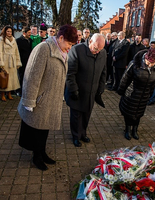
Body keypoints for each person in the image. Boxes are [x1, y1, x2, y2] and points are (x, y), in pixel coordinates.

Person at [18, 25, 78, 171]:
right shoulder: (43, 49)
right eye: (69, 44)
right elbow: (32, 76)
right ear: (61, 38)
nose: (70, 48)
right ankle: (36, 156)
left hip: (51, 99)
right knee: (36, 130)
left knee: (44, 129)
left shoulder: (61, 50)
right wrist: (29, 100)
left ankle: (42, 152)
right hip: (40, 99)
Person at [65, 33, 107, 147]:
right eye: (96, 49)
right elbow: (70, 74)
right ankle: (76, 136)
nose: (97, 52)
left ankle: (83, 133)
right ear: (90, 42)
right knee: (76, 116)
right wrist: (73, 90)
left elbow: (103, 72)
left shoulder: (102, 52)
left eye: (100, 49)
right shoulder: (76, 50)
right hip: (78, 91)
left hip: (91, 91)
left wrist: (101, 88)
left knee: (86, 114)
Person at [117, 48, 155, 140]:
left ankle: (135, 130)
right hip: (132, 93)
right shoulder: (135, 64)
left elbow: (153, 83)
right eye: (148, 62)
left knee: (139, 113)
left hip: (144, 95)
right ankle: (128, 129)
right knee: (129, 113)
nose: (150, 65)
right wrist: (121, 91)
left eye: (152, 63)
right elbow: (125, 79)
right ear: (145, 58)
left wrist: (150, 94)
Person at [0, 25, 22, 101]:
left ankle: (9, 93)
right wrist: (0, 63)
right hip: (5, 60)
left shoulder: (14, 40)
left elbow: (16, 52)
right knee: (4, 77)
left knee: (11, 78)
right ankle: (2, 94)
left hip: (13, 61)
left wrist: (18, 62)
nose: (9, 33)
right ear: (5, 32)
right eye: (8, 31)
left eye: (10, 31)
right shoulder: (1, 40)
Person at [16, 27, 32, 96]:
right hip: (22, 61)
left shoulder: (30, 40)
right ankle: (19, 91)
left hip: (28, 61)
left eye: (30, 33)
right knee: (21, 76)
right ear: (24, 33)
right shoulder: (18, 41)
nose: (30, 34)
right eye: (28, 33)